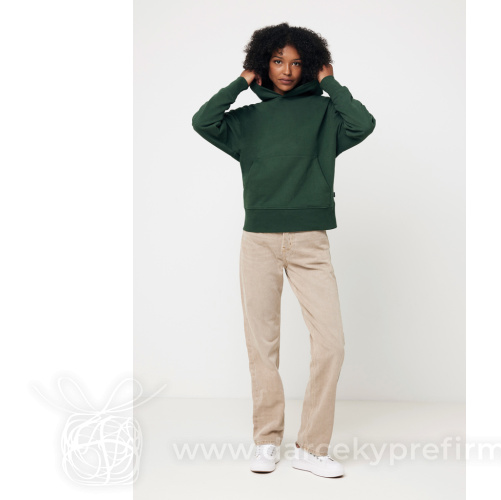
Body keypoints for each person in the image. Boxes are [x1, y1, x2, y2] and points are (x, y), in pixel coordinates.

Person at [191, 22, 376, 478]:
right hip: (259, 242)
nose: (287, 71)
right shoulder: (246, 120)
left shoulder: (326, 113)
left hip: (311, 240)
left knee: (331, 344)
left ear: (309, 65)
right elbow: (203, 121)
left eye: (296, 62)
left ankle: (312, 448)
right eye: (277, 61)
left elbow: (363, 123)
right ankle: (266, 441)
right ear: (263, 64)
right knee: (262, 346)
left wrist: (331, 82)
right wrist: (241, 82)